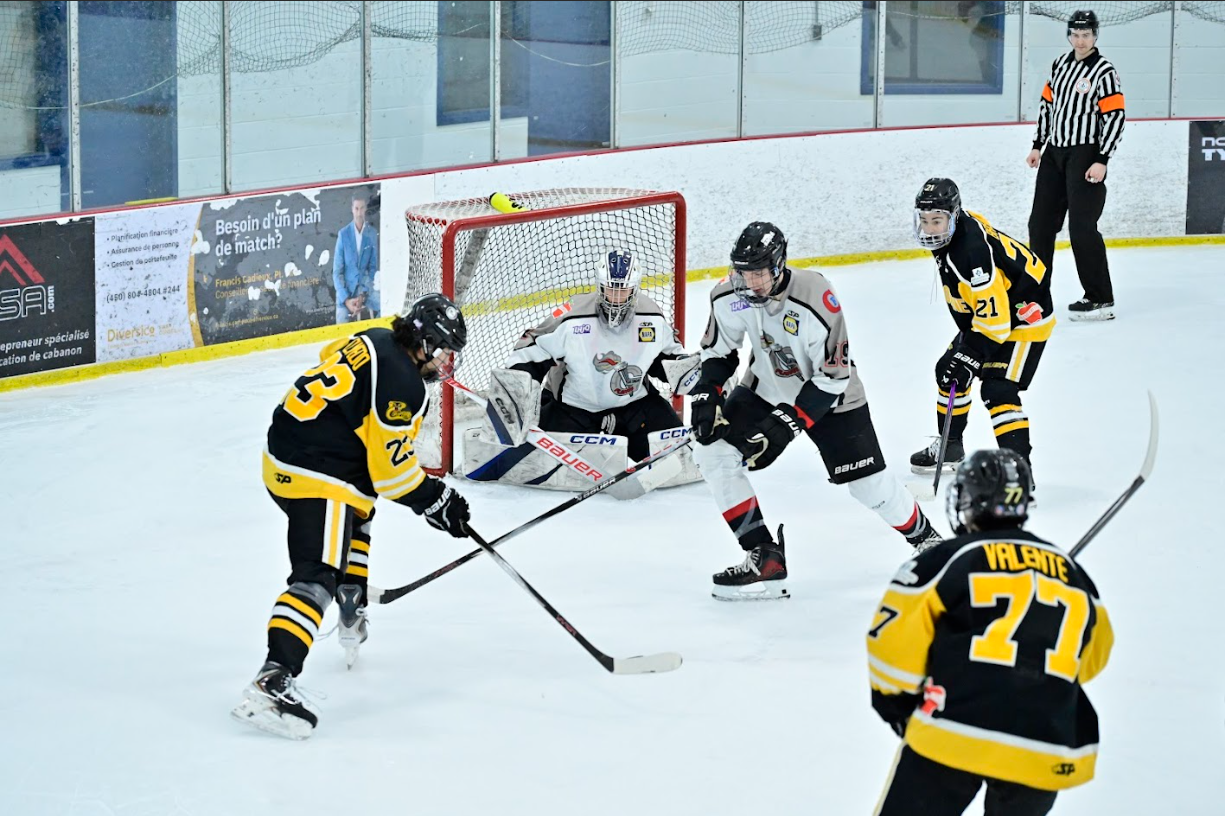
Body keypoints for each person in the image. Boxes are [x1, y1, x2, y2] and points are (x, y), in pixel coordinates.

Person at [231, 293, 473, 740]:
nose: (443, 362)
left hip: (284, 452)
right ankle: (273, 679)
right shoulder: (406, 385)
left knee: (360, 504)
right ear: (423, 342)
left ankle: (351, 598)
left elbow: (330, 359)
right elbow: (393, 475)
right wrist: (436, 499)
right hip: (314, 473)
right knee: (314, 577)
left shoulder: (374, 335)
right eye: (440, 350)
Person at [691, 222, 942, 601]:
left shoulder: (815, 296)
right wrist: (706, 394)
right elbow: (719, 352)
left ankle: (928, 541)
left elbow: (833, 374)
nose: (751, 282)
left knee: (868, 486)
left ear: (778, 266)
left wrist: (790, 422)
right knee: (713, 452)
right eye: (744, 272)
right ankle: (763, 555)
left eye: (759, 272)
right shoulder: (728, 295)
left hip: (831, 398)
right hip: (766, 388)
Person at [867, 449, 1113, 815]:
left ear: (967, 502)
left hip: (954, 731)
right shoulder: (1074, 576)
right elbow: (1092, 659)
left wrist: (900, 707)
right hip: (1044, 746)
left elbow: (892, 651)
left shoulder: (943, 560)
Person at [909, 178, 1054, 493]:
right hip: (992, 314)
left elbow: (997, 323)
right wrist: (965, 355)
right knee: (949, 373)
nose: (930, 228)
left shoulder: (969, 252)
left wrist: (971, 355)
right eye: (925, 220)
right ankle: (950, 447)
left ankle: (1018, 475)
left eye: (937, 220)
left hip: (1025, 316)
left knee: (998, 389)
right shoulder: (956, 231)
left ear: (954, 215)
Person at [504, 248, 692, 463]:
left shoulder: (651, 316)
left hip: (635, 407)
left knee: (679, 457)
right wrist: (515, 385)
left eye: (624, 290)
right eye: (611, 289)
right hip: (574, 409)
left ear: (635, 288)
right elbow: (533, 347)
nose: (617, 297)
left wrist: (693, 378)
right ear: (600, 285)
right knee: (535, 461)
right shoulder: (573, 316)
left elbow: (668, 358)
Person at [1027, 9, 1125, 322]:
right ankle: (1036, 295)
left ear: (1095, 36)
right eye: (1075, 34)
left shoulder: (1104, 70)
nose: (1080, 40)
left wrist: (1102, 159)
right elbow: (1047, 107)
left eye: (1086, 35)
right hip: (1054, 153)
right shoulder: (1059, 65)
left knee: (1082, 228)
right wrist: (1037, 145)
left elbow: (1115, 116)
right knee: (1039, 225)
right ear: (1069, 35)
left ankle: (1099, 298)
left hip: (1086, 155)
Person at [333, 192, 380, 323]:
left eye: (362, 208)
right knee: (341, 323)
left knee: (385, 306)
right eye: (356, 208)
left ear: (366, 209)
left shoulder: (371, 233)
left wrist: (363, 294)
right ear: (352, 209)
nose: (359, 213)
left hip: (366, 289)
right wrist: (346, 300)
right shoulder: (343, 234)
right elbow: (337, 273)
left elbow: (373, 268)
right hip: (347, 290)